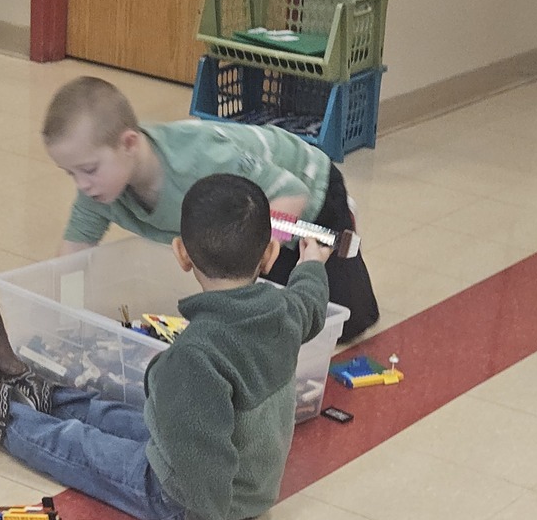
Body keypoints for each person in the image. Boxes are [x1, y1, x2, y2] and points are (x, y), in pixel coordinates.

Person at [0, 174, 331, 520]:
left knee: (76, 445)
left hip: (186, 497)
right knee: (108, 413)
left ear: (182, 254)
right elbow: (311, 300)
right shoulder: (284, 311)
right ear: (268, 253)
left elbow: (205, 459)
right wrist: (312, 263)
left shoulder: (193, 358)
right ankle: (34, 390)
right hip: (248, 481)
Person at [42, 75, 377, 342]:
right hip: (244, 218)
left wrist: (251, 262)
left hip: (307, 190)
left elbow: (291, 192)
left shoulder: (198, 160)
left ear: (129, 143)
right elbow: (73, 254)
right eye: (70, 173)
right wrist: (65, 323)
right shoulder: (98, 192)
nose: (82, 185)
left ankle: (343, 219)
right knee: (265, 324)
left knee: (341, 321)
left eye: (88, 170)